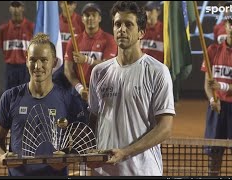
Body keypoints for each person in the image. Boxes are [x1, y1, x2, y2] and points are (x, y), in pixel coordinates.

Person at [88, 1, 175, 176]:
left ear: (141, 32)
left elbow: (165, 127)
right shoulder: (99, 72)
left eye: (129, 24)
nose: (122, 29)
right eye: (117, 24)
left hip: (143, 171)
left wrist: (125, 152)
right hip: (103, 172)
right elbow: (94, 120)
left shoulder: (157, 71)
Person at [0, 33, 87, 176]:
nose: (37, 66)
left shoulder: (69, 98)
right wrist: (1, 156)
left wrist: (66, 159)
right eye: (33, 60)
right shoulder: (10, 97)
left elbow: (80, 140)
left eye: (43, 60)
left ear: (54, 62)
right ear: (26, 60)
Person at [64, 2, 117, 100]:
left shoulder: (110, 40)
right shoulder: (74, 41)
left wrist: (87, 60)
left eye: (94, 15)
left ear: (99, 18)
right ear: (82, 19)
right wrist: (80, 88)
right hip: (79, 90)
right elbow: (68, 69)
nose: (90, 18)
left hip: (101, 90)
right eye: (87, 15)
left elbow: (108, 66)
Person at [201, 18, 232, 176]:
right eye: (231, 23)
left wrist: (223, 87)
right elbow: (207, 83)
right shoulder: (213, 50)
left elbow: (219, 85)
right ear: (225, 26)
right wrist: (212, 99)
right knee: (214, 156)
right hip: (217, 109)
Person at [0, 1, 34, 90]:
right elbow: (2, 47)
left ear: (23, 8)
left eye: (18, 6)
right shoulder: (4, 28)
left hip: (25, 67)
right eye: (13, 6)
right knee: (10, 96)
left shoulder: (31, 27)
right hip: (10, 68)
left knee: (25, 96)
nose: (15, 9)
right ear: (10, 9)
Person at [55, 1, 84, 89]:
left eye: (70, 3)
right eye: (65, 3)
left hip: (74, 64)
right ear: (60, 4)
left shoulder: (81, 22)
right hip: (58, 63)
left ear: (75, 5)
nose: (67, 6)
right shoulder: (54, 22)